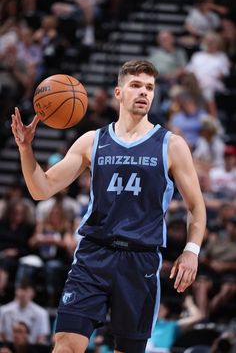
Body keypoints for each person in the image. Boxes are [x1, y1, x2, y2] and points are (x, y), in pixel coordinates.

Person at [11, 60, 206, 353]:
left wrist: (191, 252)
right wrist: (26, 150)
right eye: (136, 85)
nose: (144, 93)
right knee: (65, 345)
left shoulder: (171, 145)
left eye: (150, 88)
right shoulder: (93, 140)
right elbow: (42, 188)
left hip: (139, 260)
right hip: (93, 255)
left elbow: (196, 206)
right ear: (118, 92)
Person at [0, 280, 50, 345]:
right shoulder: (4, 310)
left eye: (26, 290)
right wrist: (4, 347)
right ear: (16, 291)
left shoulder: (42, 313)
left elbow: (41, 339)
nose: (23, 294)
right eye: (21, 289)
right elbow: (1, 334)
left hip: (32, 348)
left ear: (32, 293)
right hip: (8, 347)